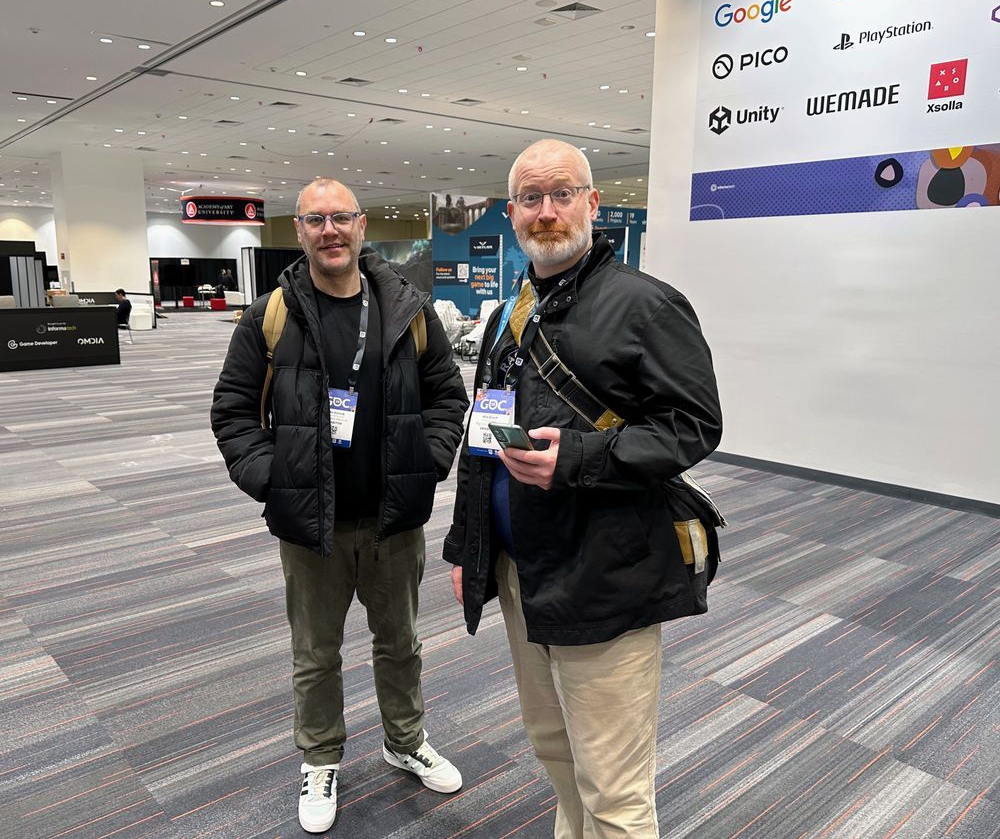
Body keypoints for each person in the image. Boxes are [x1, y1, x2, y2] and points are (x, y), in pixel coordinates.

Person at [444, 140, 723, 838]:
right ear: (511, 213)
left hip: (603, 574)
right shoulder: (510, 315)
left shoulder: (646, 305)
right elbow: (484, 435)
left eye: (562, 194)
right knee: (554, 748)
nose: (547, 211)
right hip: (521, 570)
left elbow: (694, 425)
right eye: (531, 198)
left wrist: (578, 458)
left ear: (592, 203)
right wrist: (466, 545)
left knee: (613, 787)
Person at [211, 178, 469, 834]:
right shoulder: (270, 316)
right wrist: (275, 480)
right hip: (312, 525)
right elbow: (233, 412)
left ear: (361, 225)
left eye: (341, 217)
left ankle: (405, 739)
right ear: (299, 230)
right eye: (315, 219)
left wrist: (427, 462)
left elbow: (447, 396)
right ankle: (321, 757)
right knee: (316, 651)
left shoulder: (407, 308)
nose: (330, 230)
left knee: (401, 642)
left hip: (392, 519)